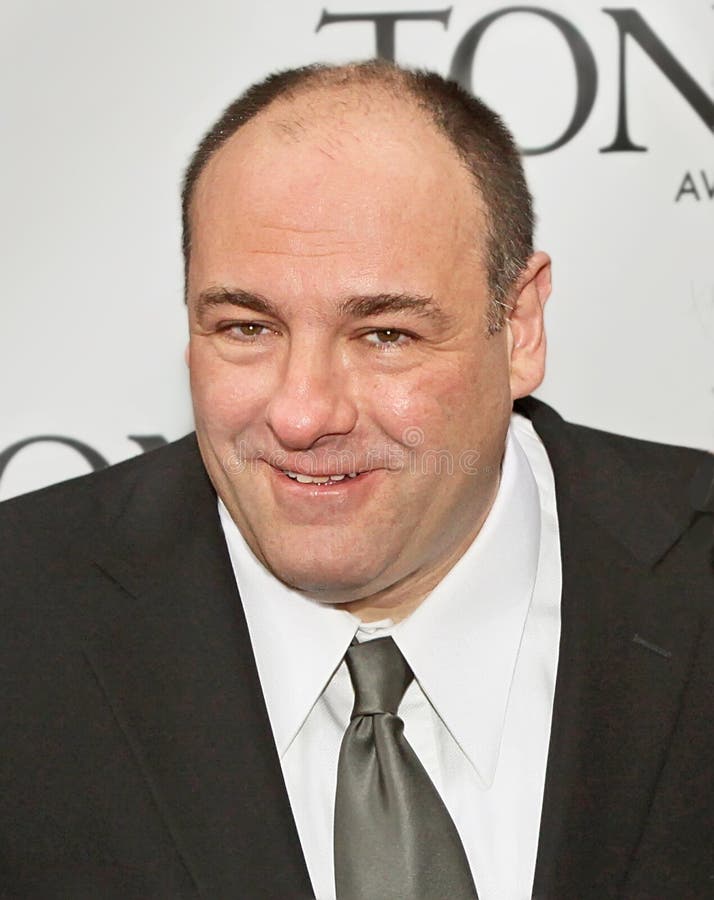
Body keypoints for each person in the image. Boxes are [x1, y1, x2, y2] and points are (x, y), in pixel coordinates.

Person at [0, 61, 711, 900]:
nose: (302, 415)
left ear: (518, 327)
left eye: (384, 335)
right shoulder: (22, 620)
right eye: (246, 326)